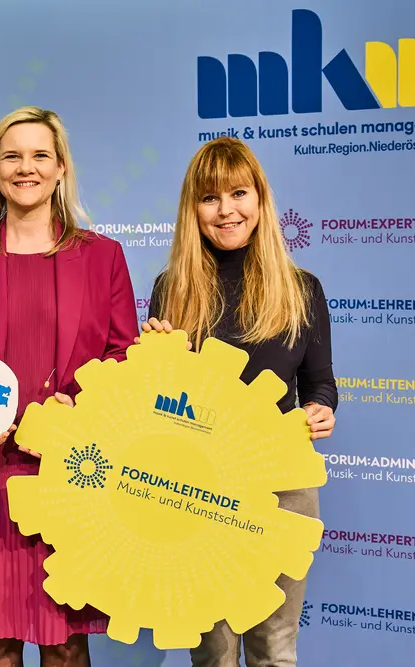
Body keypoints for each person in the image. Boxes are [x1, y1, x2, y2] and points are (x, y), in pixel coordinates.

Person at [0, 106, 140, 667]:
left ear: (61, 167)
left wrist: (82, 408)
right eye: (12, 156)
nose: (27, 168)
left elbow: (123, 356)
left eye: (40, 155)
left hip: (73, 472)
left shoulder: (103, 256)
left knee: (66, 645)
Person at [141, 136, 337, 667]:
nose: (226, 210)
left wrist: (320, 409)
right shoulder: (172, 288)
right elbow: (159, 402)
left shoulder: (301, 288)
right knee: (213, 651)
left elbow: (320, 383)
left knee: (274, 647)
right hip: (195, 485)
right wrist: (154, 361)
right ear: (193, 210)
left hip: (283, 484)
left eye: (238, 193)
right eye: (210, 198)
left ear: (260, 199)